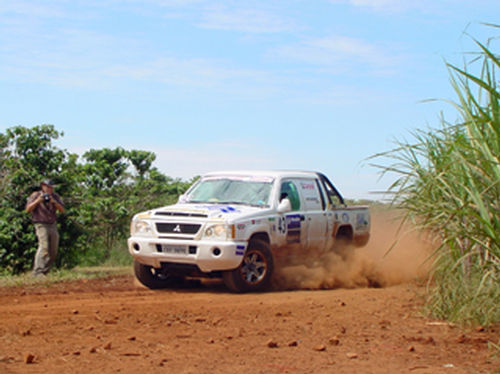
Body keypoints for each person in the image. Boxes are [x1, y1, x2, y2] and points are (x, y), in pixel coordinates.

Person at [25, 179, 65, 277]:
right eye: (48, 187)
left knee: (53, 250)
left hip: (52, 224)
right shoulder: (35, 195)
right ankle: (37, 271)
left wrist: (54, 202)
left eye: (51, 188)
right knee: (44, 247)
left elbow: (62, 210)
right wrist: (38, 201)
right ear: (43, 186)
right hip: (40, 224)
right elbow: (28, 209)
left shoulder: (55, 196)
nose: (50, 189)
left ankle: (45, 271)